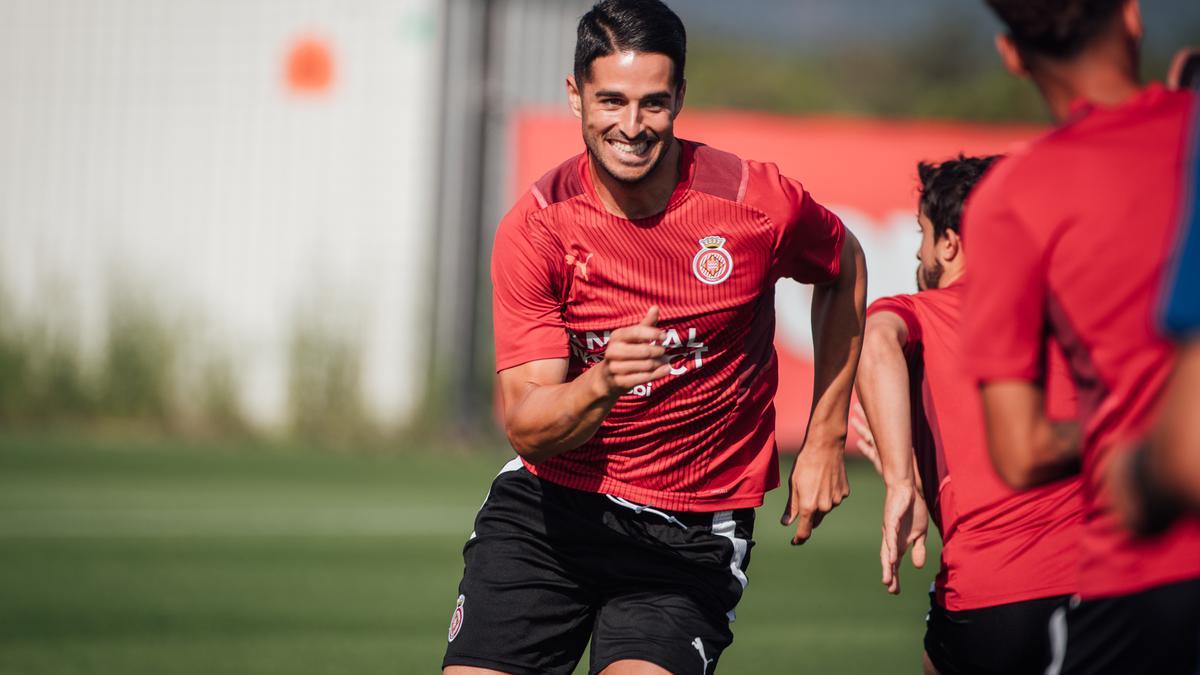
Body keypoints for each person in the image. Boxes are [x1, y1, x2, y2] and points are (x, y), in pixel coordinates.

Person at [442, 1, 867, 673]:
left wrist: (825, 435)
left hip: (689, 534)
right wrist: (605, 380)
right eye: (611, 100)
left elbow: (844, 268)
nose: (632, 127)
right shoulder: (537, 227)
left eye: (653, 103)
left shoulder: (756, 203)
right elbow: (526, 425)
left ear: (680, 98)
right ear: (574, 94)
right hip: (550, 512)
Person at [962, 0, 1200, 672]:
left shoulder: (1010, 198)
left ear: (1012, 56)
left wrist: (1123, 432)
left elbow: (1022, 449)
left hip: (1143, 577)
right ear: (1133, 16)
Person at [855, 155, 1082, 675]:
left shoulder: (921, 310)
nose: (918, 250)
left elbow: (873, 342)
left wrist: (897, 479)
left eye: (923, 233)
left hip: (997, 595)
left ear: (950, 243)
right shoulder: (1078, 307)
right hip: (1116, 587)